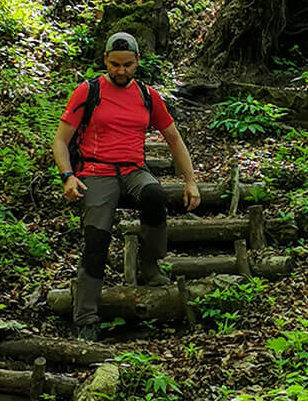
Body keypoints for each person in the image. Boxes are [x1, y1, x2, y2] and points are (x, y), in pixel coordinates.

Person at [52, 33, 200, 341]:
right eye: (115, 65)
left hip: (134, 170)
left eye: (128, 65)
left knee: (155, 194)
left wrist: (190, 181)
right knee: (96, 240)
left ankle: (150, 267)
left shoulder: (147, 96)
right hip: (95, 172)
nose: (121, 71)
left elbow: (174, 138)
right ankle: (86, 317)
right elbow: (60, 140)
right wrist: (68, 176)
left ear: (137, 63)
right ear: (105, 60)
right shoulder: (87, 92)